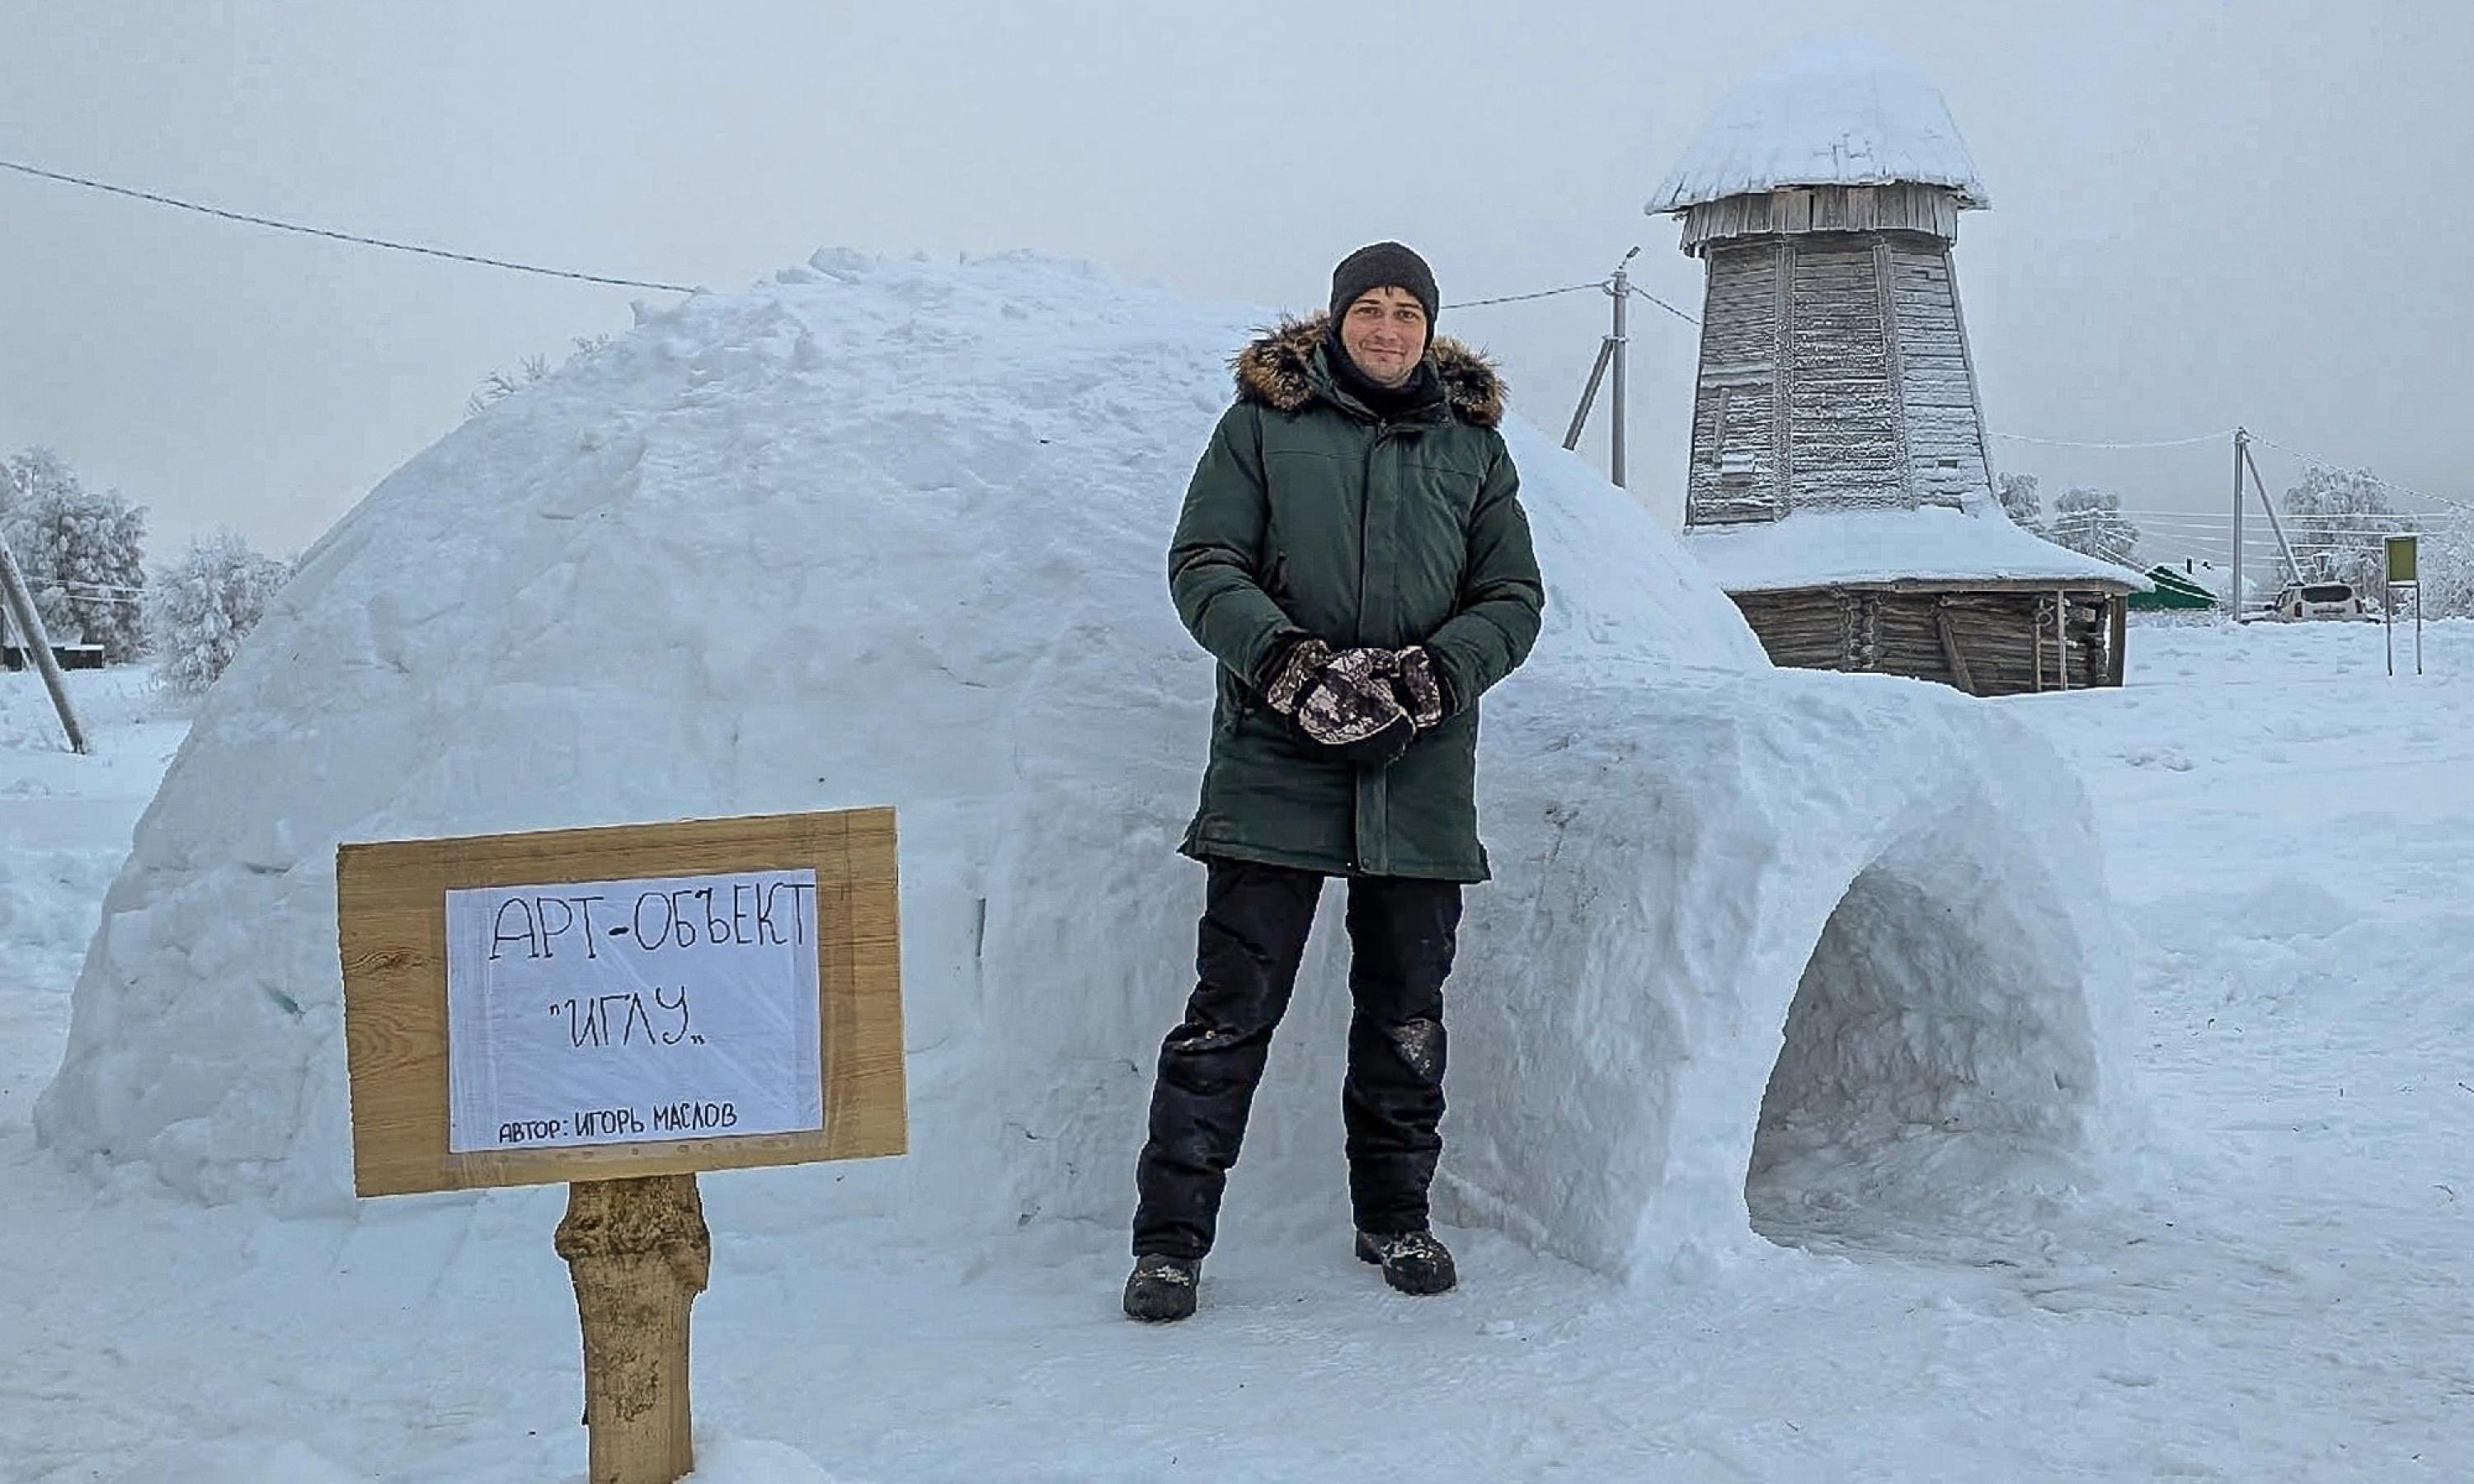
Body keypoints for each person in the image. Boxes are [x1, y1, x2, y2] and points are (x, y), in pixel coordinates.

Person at [1126, 242, 1545, 1322]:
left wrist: (1434, 673)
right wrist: (1287, 666)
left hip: (1419, 768)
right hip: (1277, 763)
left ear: (1430, 327)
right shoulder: (1263, 426)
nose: (1390, 328)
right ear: (1338, 319)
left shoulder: (1474, 450)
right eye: (1372, 308)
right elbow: (1203, 562)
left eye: (1409, 311)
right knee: (1230, 1010)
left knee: (1407, 1012)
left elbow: (1512, 594)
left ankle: (1395, 1218)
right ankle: (1171, 1244)